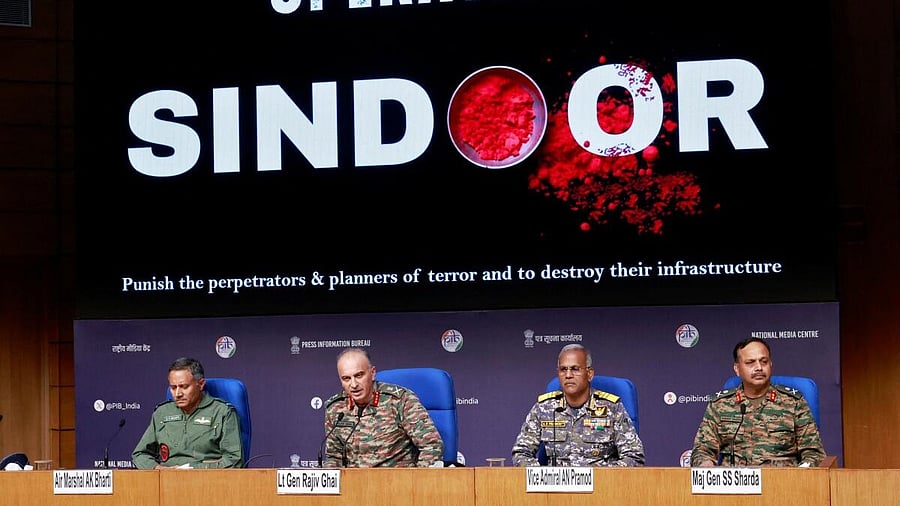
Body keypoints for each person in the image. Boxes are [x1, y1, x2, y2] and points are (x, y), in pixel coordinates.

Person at [690, 337, 825, 467]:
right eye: (750, 363)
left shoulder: (794, 402)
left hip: (783, 484)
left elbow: (813, 453)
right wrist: (705, 465)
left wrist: (803, 473)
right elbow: (702, 450)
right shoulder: (719, 404)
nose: (759, 367)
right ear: (737, 369)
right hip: (735, 486)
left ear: (770, 365)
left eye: (764, 361)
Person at [511, 344, 644, 467]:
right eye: (563, 369)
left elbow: (634, 456)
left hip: (601, 488)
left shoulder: (613, 408)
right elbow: (521, 452)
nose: (568, 375)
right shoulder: (543, 408)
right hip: (556, 488)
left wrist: (602, 478)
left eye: (575, 369)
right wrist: (543, 477)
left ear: (589, 374)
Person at [322, 348, 443, 467]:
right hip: (354, 484)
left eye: (359, 375)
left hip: (397, 483)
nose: (353, 385)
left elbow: (432, 446)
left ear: (372, 373)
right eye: (346, 378)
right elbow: (334, 457)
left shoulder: (400, 400)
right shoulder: (335, 408)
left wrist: (415, 482)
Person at [132, 357, 243, 469]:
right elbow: (140, 455)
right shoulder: (162, 413)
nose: (178, 393)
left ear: (201, 384)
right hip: (167, 481)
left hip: (207, 481)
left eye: (184, 387)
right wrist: (158, 469)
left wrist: (191, 469)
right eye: (173, 387)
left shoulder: (223, 412)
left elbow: (233, 460)